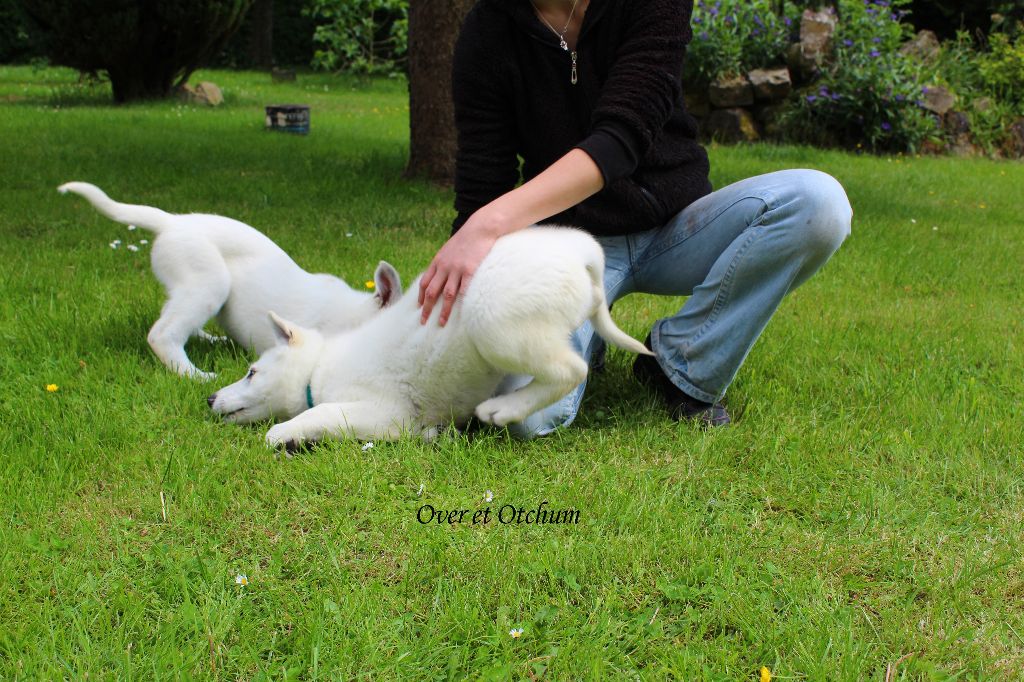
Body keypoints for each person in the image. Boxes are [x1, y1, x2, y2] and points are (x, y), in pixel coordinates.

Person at [417, 0, 853, 437]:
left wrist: (488, 223)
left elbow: (621, 139)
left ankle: (680, 364)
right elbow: (482, 176)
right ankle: (586, 328)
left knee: (818, 203)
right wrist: (460, 294)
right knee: (521, 418)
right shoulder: (488, 30)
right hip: (570, 252)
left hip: (678, 227)